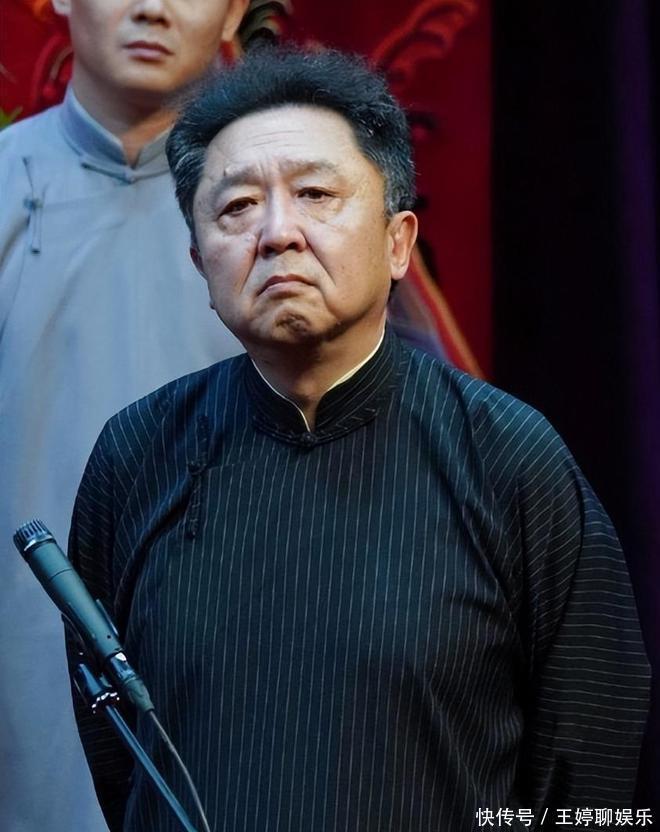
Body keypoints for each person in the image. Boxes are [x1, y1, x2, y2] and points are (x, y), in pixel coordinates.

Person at [67, 47, 650, 831]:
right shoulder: (136, 455)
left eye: (315, 194)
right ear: (200, 262)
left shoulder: (509, 456)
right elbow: (125, 758)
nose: (277, 233)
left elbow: (590, 756)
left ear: (399, 242)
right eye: (237, 207)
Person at [0, 1, 267, 829]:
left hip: (251, 663)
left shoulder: (285, 211)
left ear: (236, 8)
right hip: (23, 674)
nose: (152, 7)